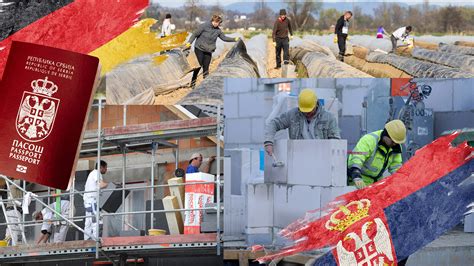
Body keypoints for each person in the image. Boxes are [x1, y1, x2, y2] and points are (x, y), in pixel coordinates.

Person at [347, 119, 408, 265]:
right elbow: (355, 159)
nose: (394, 144)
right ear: (385, 135)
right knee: (359, 219)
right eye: (392, 141)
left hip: (375, 184)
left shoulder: (394, 148)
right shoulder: (369, 140)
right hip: (359, 182)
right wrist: (356, 176)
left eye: (396, 142)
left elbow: (396, 169)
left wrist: (403, 184)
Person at [264, 89, 341, 156]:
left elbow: (335, 142)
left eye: (309, 110)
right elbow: (273, 124)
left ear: (315, 104)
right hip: (298, 156)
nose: (307, 113)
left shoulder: (329, 118)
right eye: (304, 111)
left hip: (321, 157)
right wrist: (269, 142)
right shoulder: (292, 115)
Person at [186, 15, 240, 87]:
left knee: (206, 68)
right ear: (212, 20)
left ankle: (206, 85)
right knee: (198, 66)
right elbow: (195, 34)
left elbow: (224, 38)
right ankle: (193, 82)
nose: (216, 24)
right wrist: (189, 42)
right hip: (199, 48)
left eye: (218, 23)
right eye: (215, 22)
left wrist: (234, 39)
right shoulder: (204, 26)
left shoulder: (218, 31)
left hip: (209, 50)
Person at [83, 160, 109, 240]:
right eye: (105, 168)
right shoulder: (96, 173)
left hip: (88, 201)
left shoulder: (92, 174)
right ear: (101, 167)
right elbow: (101, 185)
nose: (106, 170)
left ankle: (87, 240)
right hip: (92, 201)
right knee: (97, 221)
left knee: (89, 223)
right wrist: (110, 184)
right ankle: (96, 241)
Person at [3, 178, 23, 246]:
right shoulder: (15, 183)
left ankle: (6, 245)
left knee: (9, 229)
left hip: (9, 210)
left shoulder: (10, 185)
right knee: (16, 229)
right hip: (14, 210)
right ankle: (15, 245)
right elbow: (25, 182)